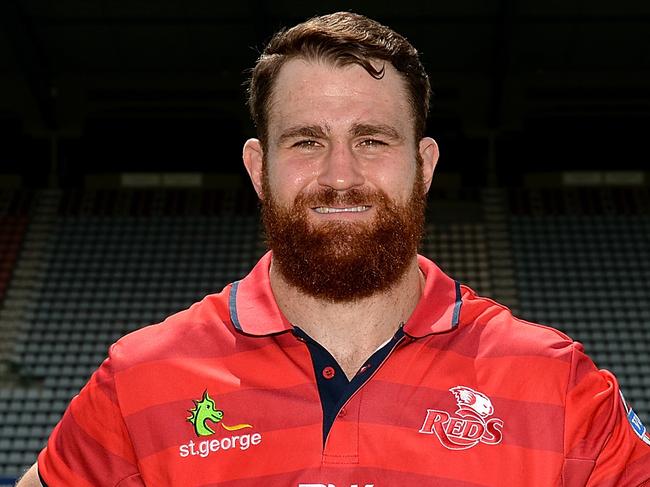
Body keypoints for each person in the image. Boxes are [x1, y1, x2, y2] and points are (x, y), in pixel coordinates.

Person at [17, 11, 650, 487]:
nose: (340, 175)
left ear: (424, 166)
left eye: (372, 140)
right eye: (305, 142)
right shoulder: (140, 381)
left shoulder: (560, 385)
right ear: (258, 167)